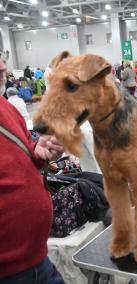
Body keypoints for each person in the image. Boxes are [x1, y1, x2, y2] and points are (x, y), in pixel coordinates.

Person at [0, 59, 65, 283]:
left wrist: (37, 151)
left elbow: (23, 148)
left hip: (38, 261)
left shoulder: (5, 106)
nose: (3, 67)